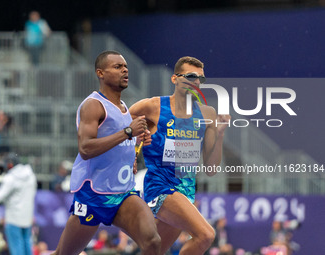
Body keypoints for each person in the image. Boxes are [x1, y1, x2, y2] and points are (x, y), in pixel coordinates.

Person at [51, 51, 160, 255]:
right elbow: (85, 149)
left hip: (123, 192)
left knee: (152, 241)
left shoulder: (123, 107)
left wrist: (134, 149)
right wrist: (128, 132)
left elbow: (119, 142)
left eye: (126, 66)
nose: (125, 69)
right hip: (94, 195)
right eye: (117, 67)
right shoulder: (93, 105)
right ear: (100, 73)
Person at [129, 56, 230, 255]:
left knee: (153, 250)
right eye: (191, 76)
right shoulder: (152, 107)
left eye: (200, 78)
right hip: (159, 187)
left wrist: (219, 134)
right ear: (174, 79)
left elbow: (211, 169)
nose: (197, 82)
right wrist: (132, 151)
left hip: (185, 191)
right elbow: (122, 126)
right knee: (206, 235)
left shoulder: (207, 115)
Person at [0, 153, 37, 255]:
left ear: (10, 164)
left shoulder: (11, 178)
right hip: (27, 218)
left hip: (13, 220)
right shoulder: (31, 175)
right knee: (27, 247)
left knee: (17, 249)